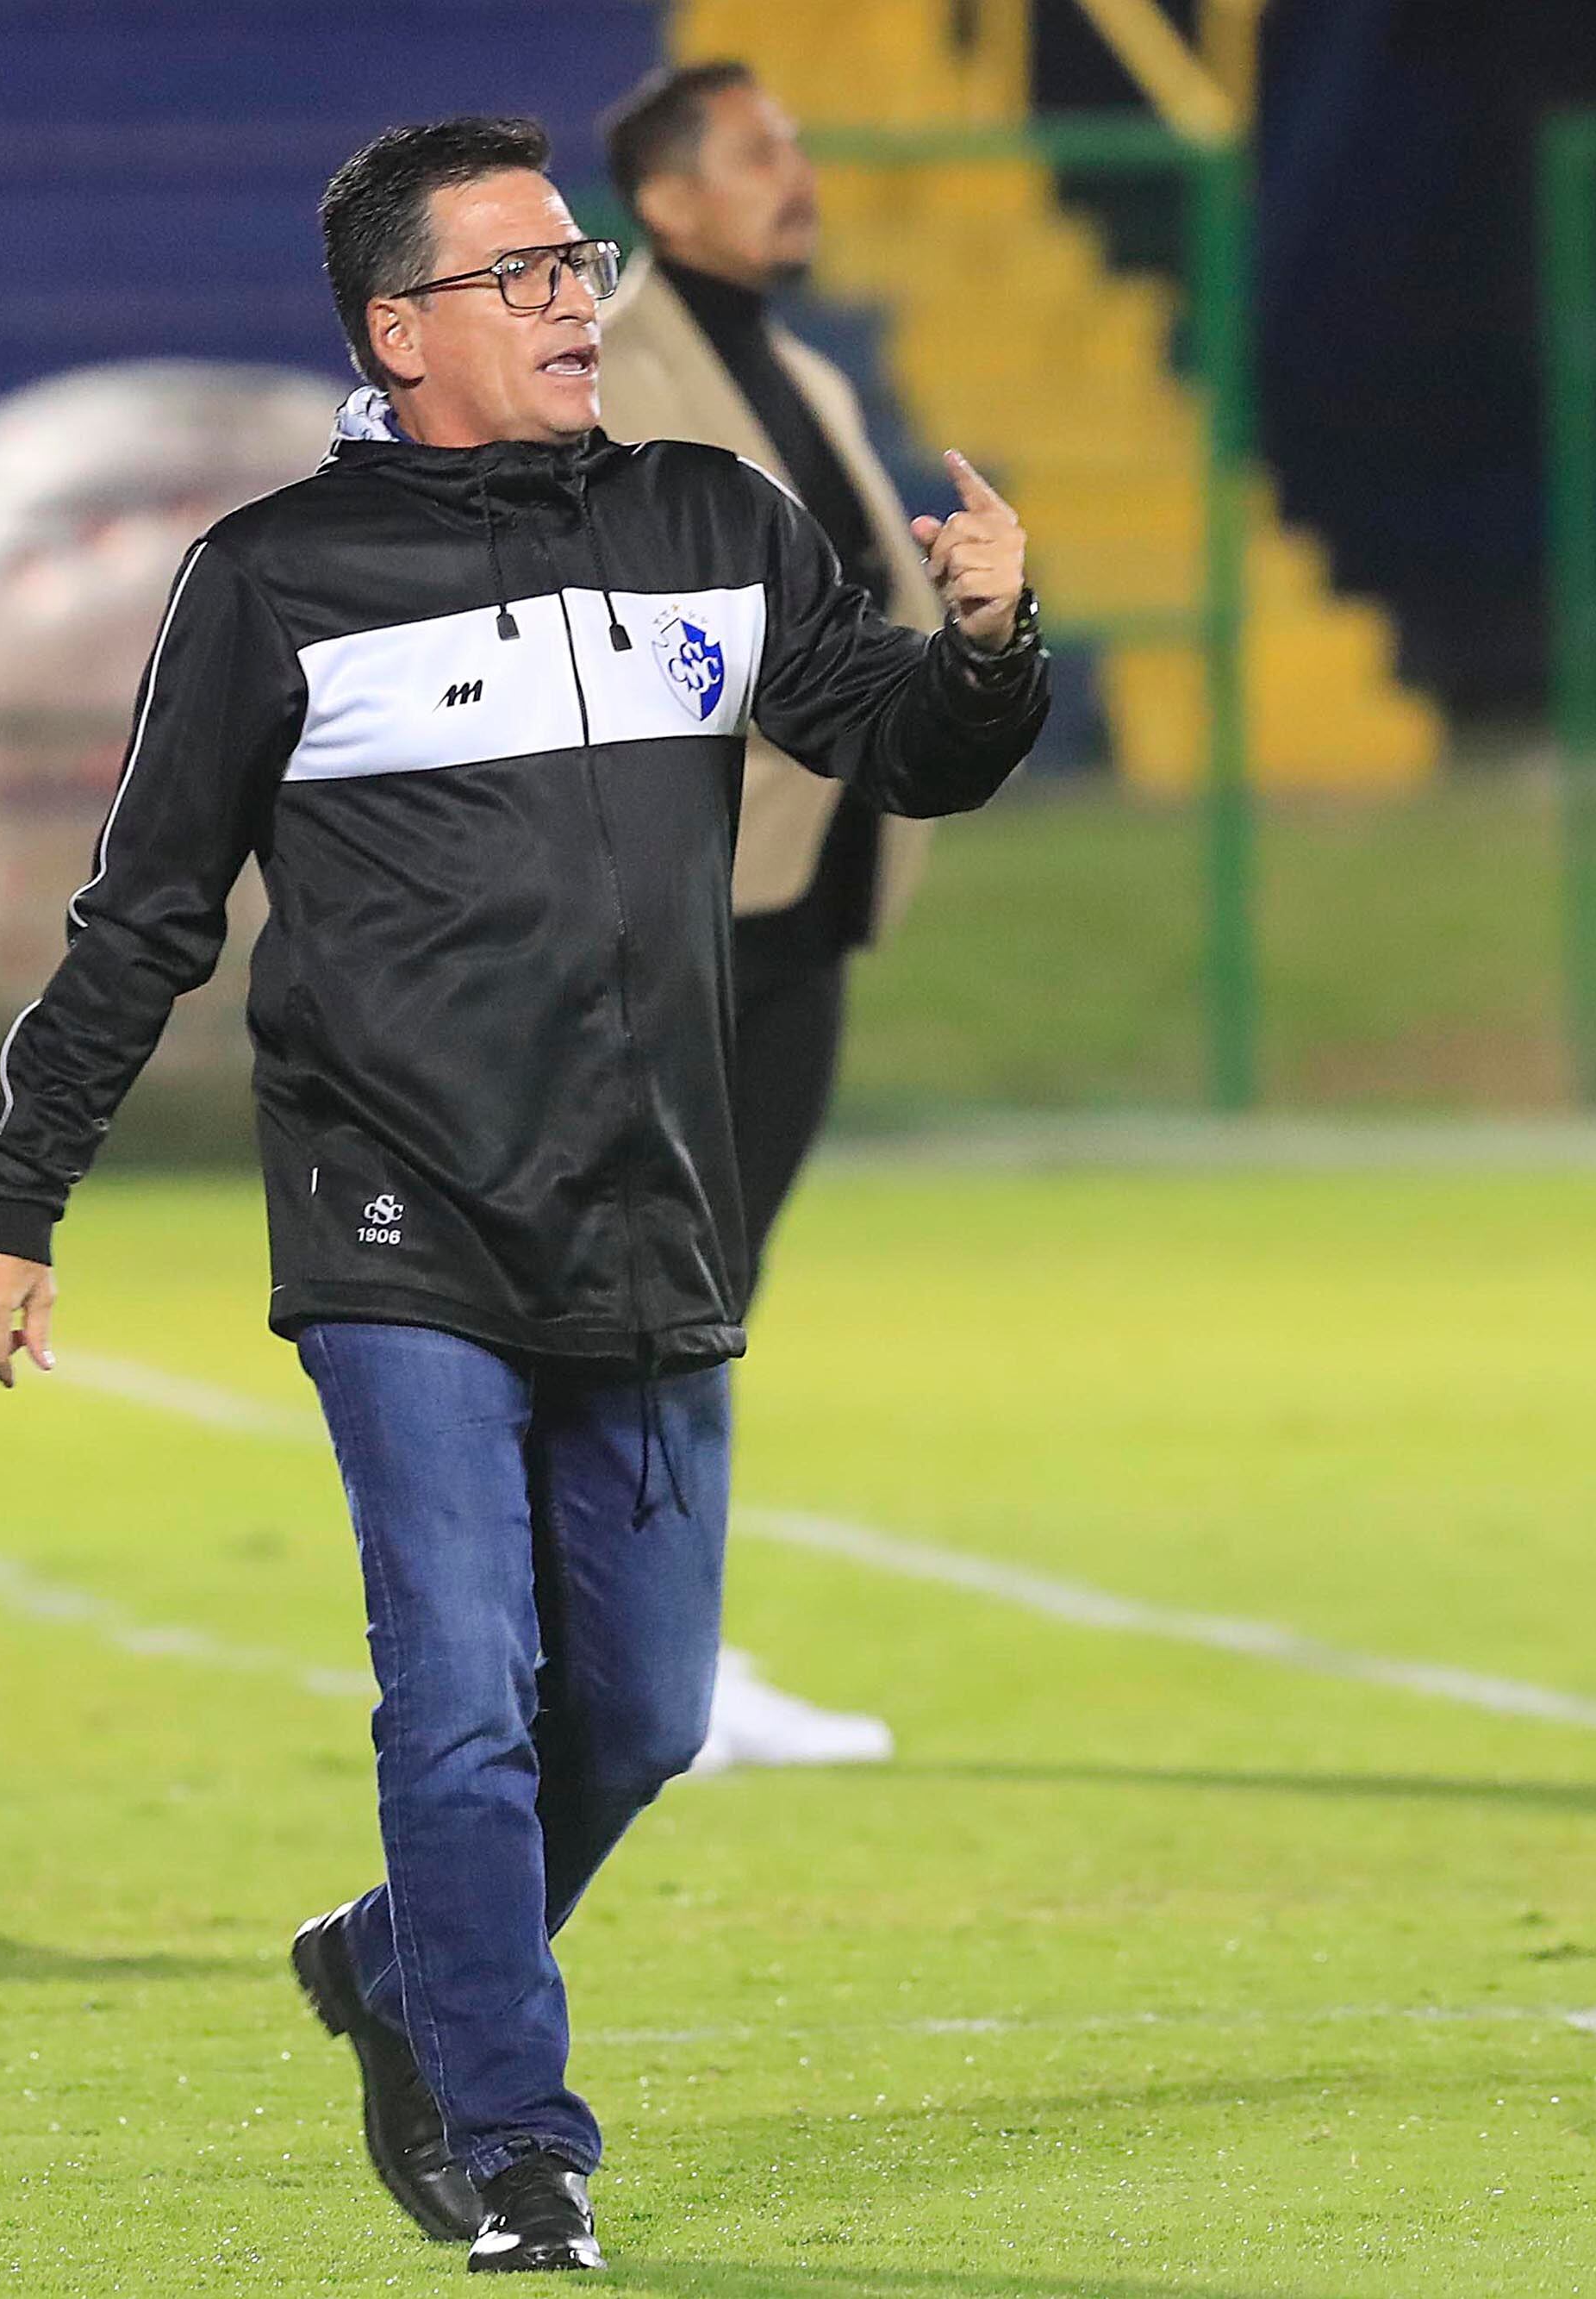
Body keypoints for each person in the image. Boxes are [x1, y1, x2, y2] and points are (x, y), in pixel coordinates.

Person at [0, 115, 1045, 2275]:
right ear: (394, 330)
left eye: (579, 267)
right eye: (523, 275)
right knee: (457, 1690)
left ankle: (391, 1959)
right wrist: (11, 1195)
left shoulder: (707, 517)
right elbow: (142, 915)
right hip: (395, 1217)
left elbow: (894, 744)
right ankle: (516, 2146)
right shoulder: (270, 578)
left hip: (647, 1210)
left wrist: (988, 646)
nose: (573, 303)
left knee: (639, 1713)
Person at [596, 58, 947, 1777]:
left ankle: (665, 1646)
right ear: (664, 198)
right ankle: (642, 1659)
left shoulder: (797, 365)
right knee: (649, 1283)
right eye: (754, 154)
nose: (792, 175)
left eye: (794, 146)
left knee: (710, 1285)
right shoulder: (611, 370)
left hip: (804, 887)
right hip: (678, 889)